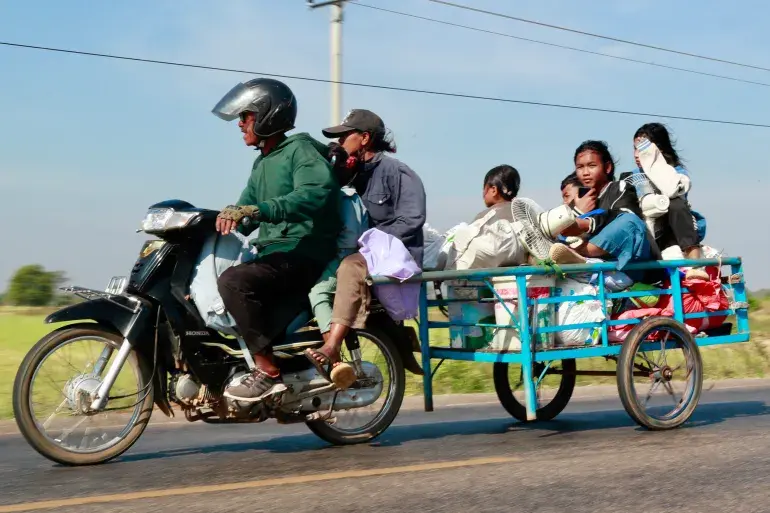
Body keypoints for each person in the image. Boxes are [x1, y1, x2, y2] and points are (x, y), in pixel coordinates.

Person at [211, 78, 342, 402]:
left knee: (234, 282)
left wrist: (261, 210)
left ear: (268, 115)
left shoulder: (302, 149)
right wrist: (222, 219)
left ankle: (267, 370)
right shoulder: (262, 163)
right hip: (274, 254)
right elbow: (245, 211)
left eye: (246, 116)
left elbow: (313, 193)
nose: (241, 124)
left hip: (303, 251)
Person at [305, 109, 427, 387]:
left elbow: (413, 218)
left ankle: (332, 347)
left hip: (395, 254)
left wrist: (371, 241)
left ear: (364, 139)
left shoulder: (397, 172)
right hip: (359, 252)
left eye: (344, 136)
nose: (339, 142)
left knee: (349, 268)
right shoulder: (350, 175)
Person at [550, 140, 656, 273]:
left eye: (592, 165)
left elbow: (625, 218)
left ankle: (582, 254)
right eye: (580, 167)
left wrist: (588, 223)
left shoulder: (620, 187)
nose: (585, 172)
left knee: (630, 222)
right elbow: (561, 233)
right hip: (601, 268)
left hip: (629, 264)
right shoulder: (577, 200)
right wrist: (578, 211)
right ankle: (580, 258)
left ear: (607, 168)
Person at [632, 122, 709, 280]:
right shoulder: (635, 175)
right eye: (635, 149)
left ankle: (696, 263)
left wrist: (654, 166)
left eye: (642, 149)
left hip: (675, 228)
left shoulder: (677, 172)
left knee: (675, 203)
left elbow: (672, 190)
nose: (636, 154)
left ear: (658, 150)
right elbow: (642, 202)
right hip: (650, 231)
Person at [308, 146, 369, 341]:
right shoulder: (345, 195)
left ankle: (331, 351)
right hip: (343, 254)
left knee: (317, 292)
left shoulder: (344, 196)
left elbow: (350, 235)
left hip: (344, 256)